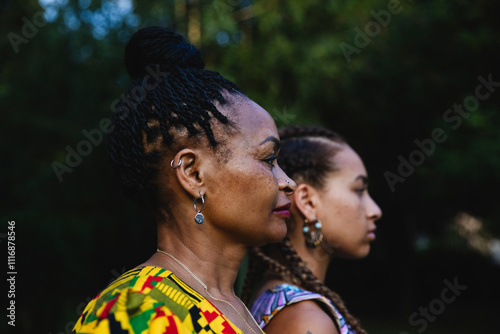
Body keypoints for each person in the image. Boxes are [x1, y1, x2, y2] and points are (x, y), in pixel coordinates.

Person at [73, 26, 296, 334]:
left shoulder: (232, 305)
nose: (289, 183)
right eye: (268, 159)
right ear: (192, 174)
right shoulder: (134, 311)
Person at [243, 126, 383, 334]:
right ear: (308, 202)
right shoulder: (305, 320)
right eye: (359, 190)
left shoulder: (279, 298)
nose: (375, 211)